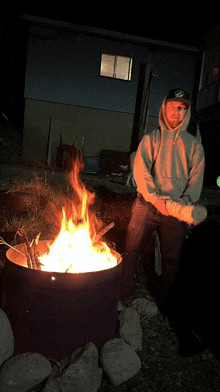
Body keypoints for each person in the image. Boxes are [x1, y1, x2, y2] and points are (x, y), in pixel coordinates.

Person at [120, 88, 205, 312]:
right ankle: (122, 294)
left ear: (186, 112)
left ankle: (166, 302)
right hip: (147, 205)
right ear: (164, 109)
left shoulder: (194, 146)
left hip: (176, 209)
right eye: (172, 107)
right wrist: (156, 200)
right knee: (131, 249)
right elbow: (141, 173)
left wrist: (184, 204)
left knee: (172, 258)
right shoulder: (151, 140)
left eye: (182, 108)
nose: (176, 112)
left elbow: (196, 181)